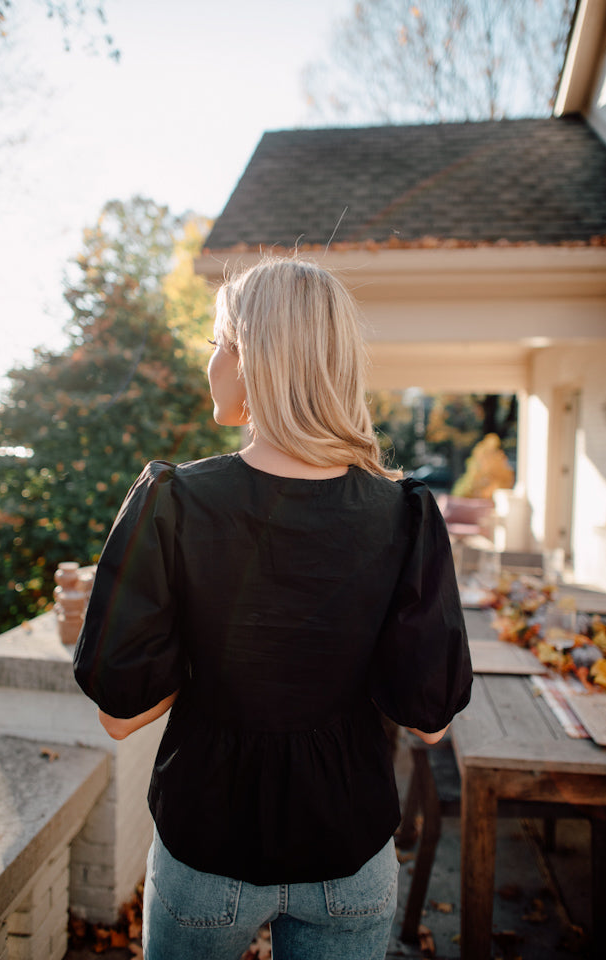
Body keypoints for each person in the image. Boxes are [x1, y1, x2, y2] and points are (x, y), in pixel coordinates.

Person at [73, 257, 472, 960]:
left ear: (253, 358)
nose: (210, 363)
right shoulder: (406, 515)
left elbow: (117, 713)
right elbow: (428, 723)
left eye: (216, 343)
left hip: (206, 849)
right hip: (348, 852)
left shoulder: (173, 502)